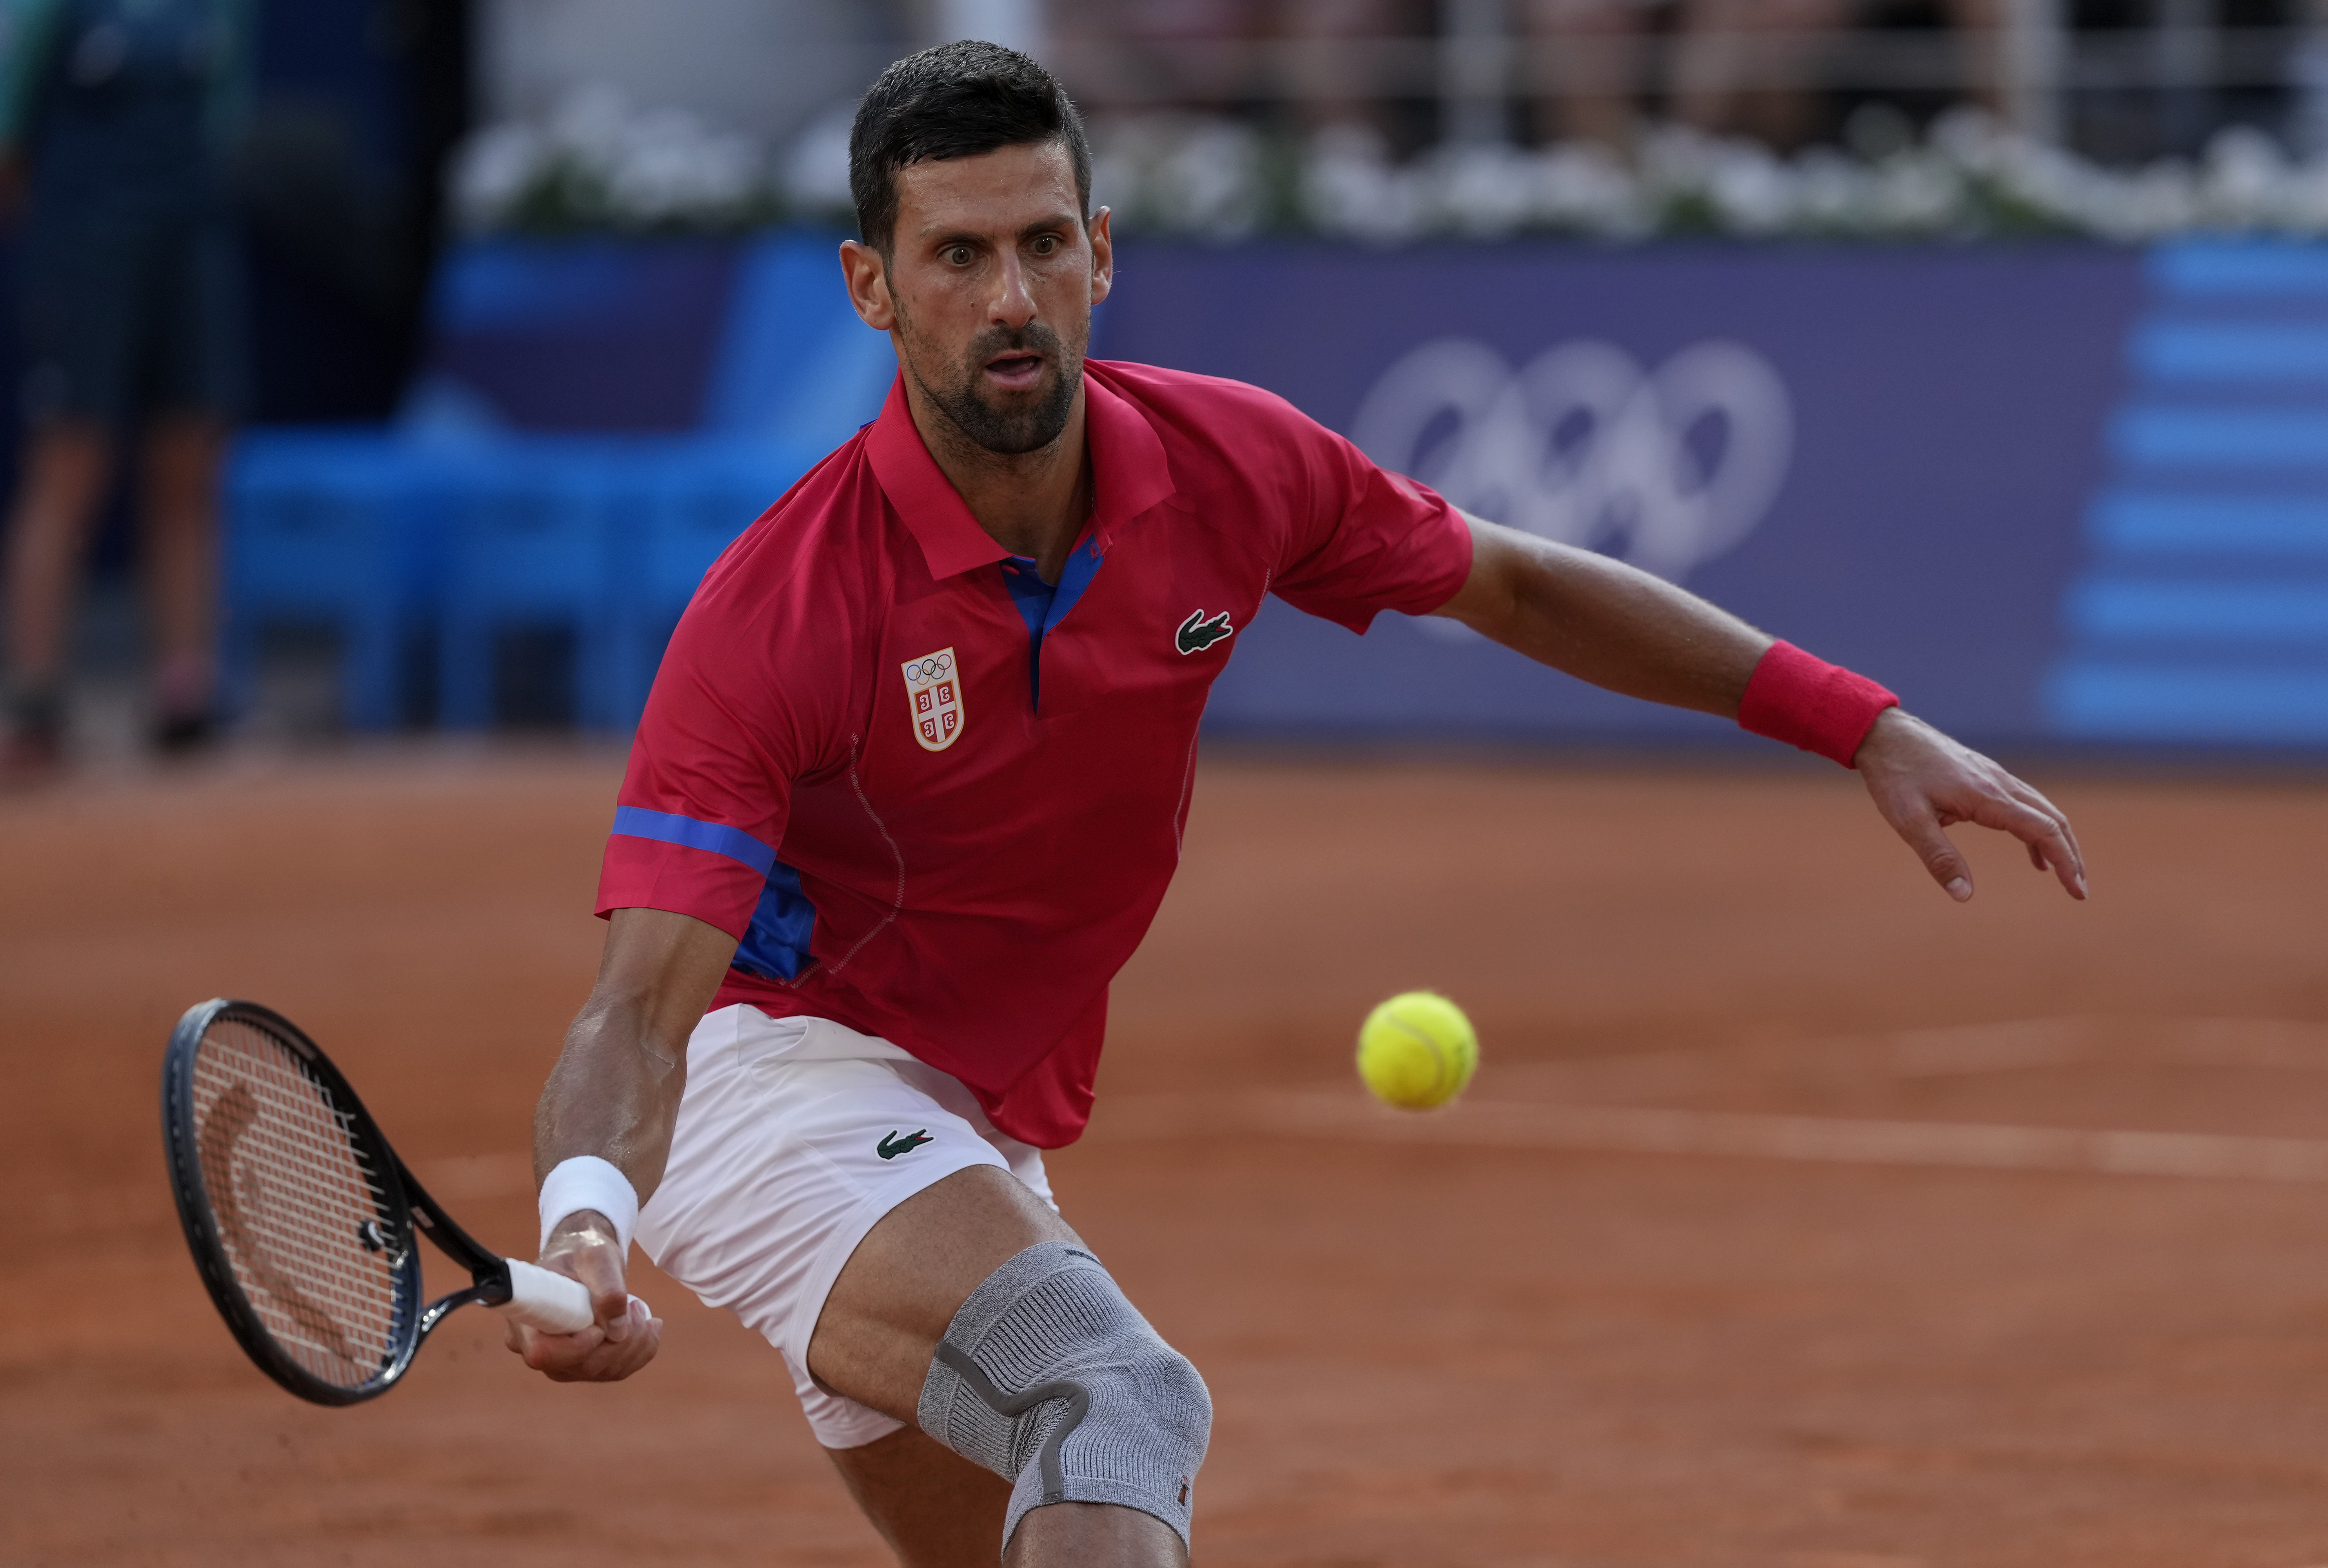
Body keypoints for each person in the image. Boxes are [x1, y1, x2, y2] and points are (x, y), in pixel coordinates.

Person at [505, 40, 2086, 1568]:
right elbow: (640, 1016)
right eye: (958, 256)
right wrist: (587, 1224)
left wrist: (1856, 719)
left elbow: (1517, 584)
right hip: (773, 1073)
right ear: (872, 286)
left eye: (1046, 243)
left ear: (1102, 253)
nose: (1011, 301)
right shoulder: (781, 609)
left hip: (979, 1096)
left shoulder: (1229, 464)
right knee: (1116, 1400)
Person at [0, 0, 249, 777]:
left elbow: (226, 112)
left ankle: (184, 696)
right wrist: (68, 238)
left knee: (190, 460)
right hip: (81, 243)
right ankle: (35, 698)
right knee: (71, 462)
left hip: (189, 239)